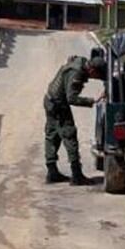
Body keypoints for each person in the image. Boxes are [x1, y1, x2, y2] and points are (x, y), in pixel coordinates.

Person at [43, 55, 106, 186]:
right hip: (58, 105)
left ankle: (52, 172)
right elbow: (71, 98)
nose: (94, 78)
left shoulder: (80, 62)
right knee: (69, 135)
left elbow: (71, 59)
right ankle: (77, 175)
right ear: (92, 70)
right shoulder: (76, 73)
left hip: (50, 100)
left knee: (52, 135)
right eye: (97, 75)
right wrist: (93, 100)